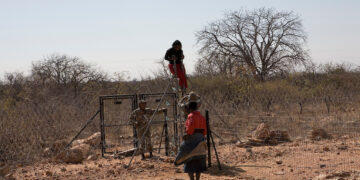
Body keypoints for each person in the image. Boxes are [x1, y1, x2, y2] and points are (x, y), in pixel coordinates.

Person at [183, 100, 207, 180]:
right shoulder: (202, 117)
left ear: (189, 108)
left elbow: (189, 130)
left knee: (189, 159)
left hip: (192, 141)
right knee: (199, 161)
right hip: (201, 140)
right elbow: (205, 131)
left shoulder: (191, 116)